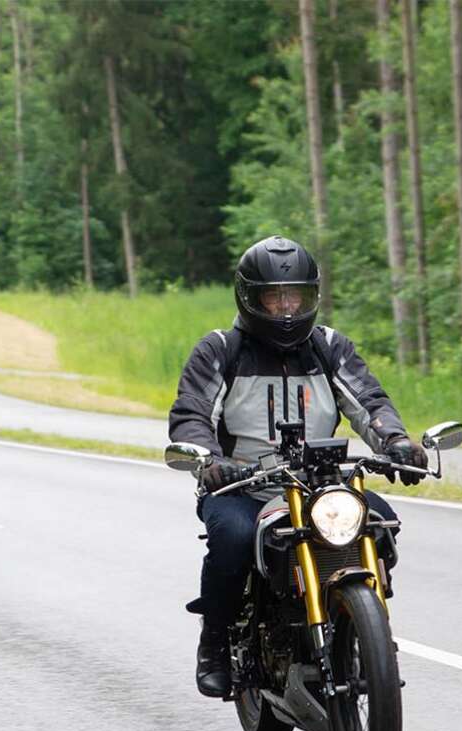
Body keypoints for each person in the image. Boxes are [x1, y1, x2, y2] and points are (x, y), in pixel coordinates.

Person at [168, 235, 428, 698]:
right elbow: (192, 414)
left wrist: (397, 442)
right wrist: (208, 461)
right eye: (275, 297)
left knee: (380, 521)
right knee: (232, 539)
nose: (287, 310)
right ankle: (214, 640)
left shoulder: (330, 347)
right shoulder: (220, 351)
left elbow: (369, 402)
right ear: (250, 297)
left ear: (312, 296)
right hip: (243, 487)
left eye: (296, 297)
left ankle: (366, 630)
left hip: (320, 487)